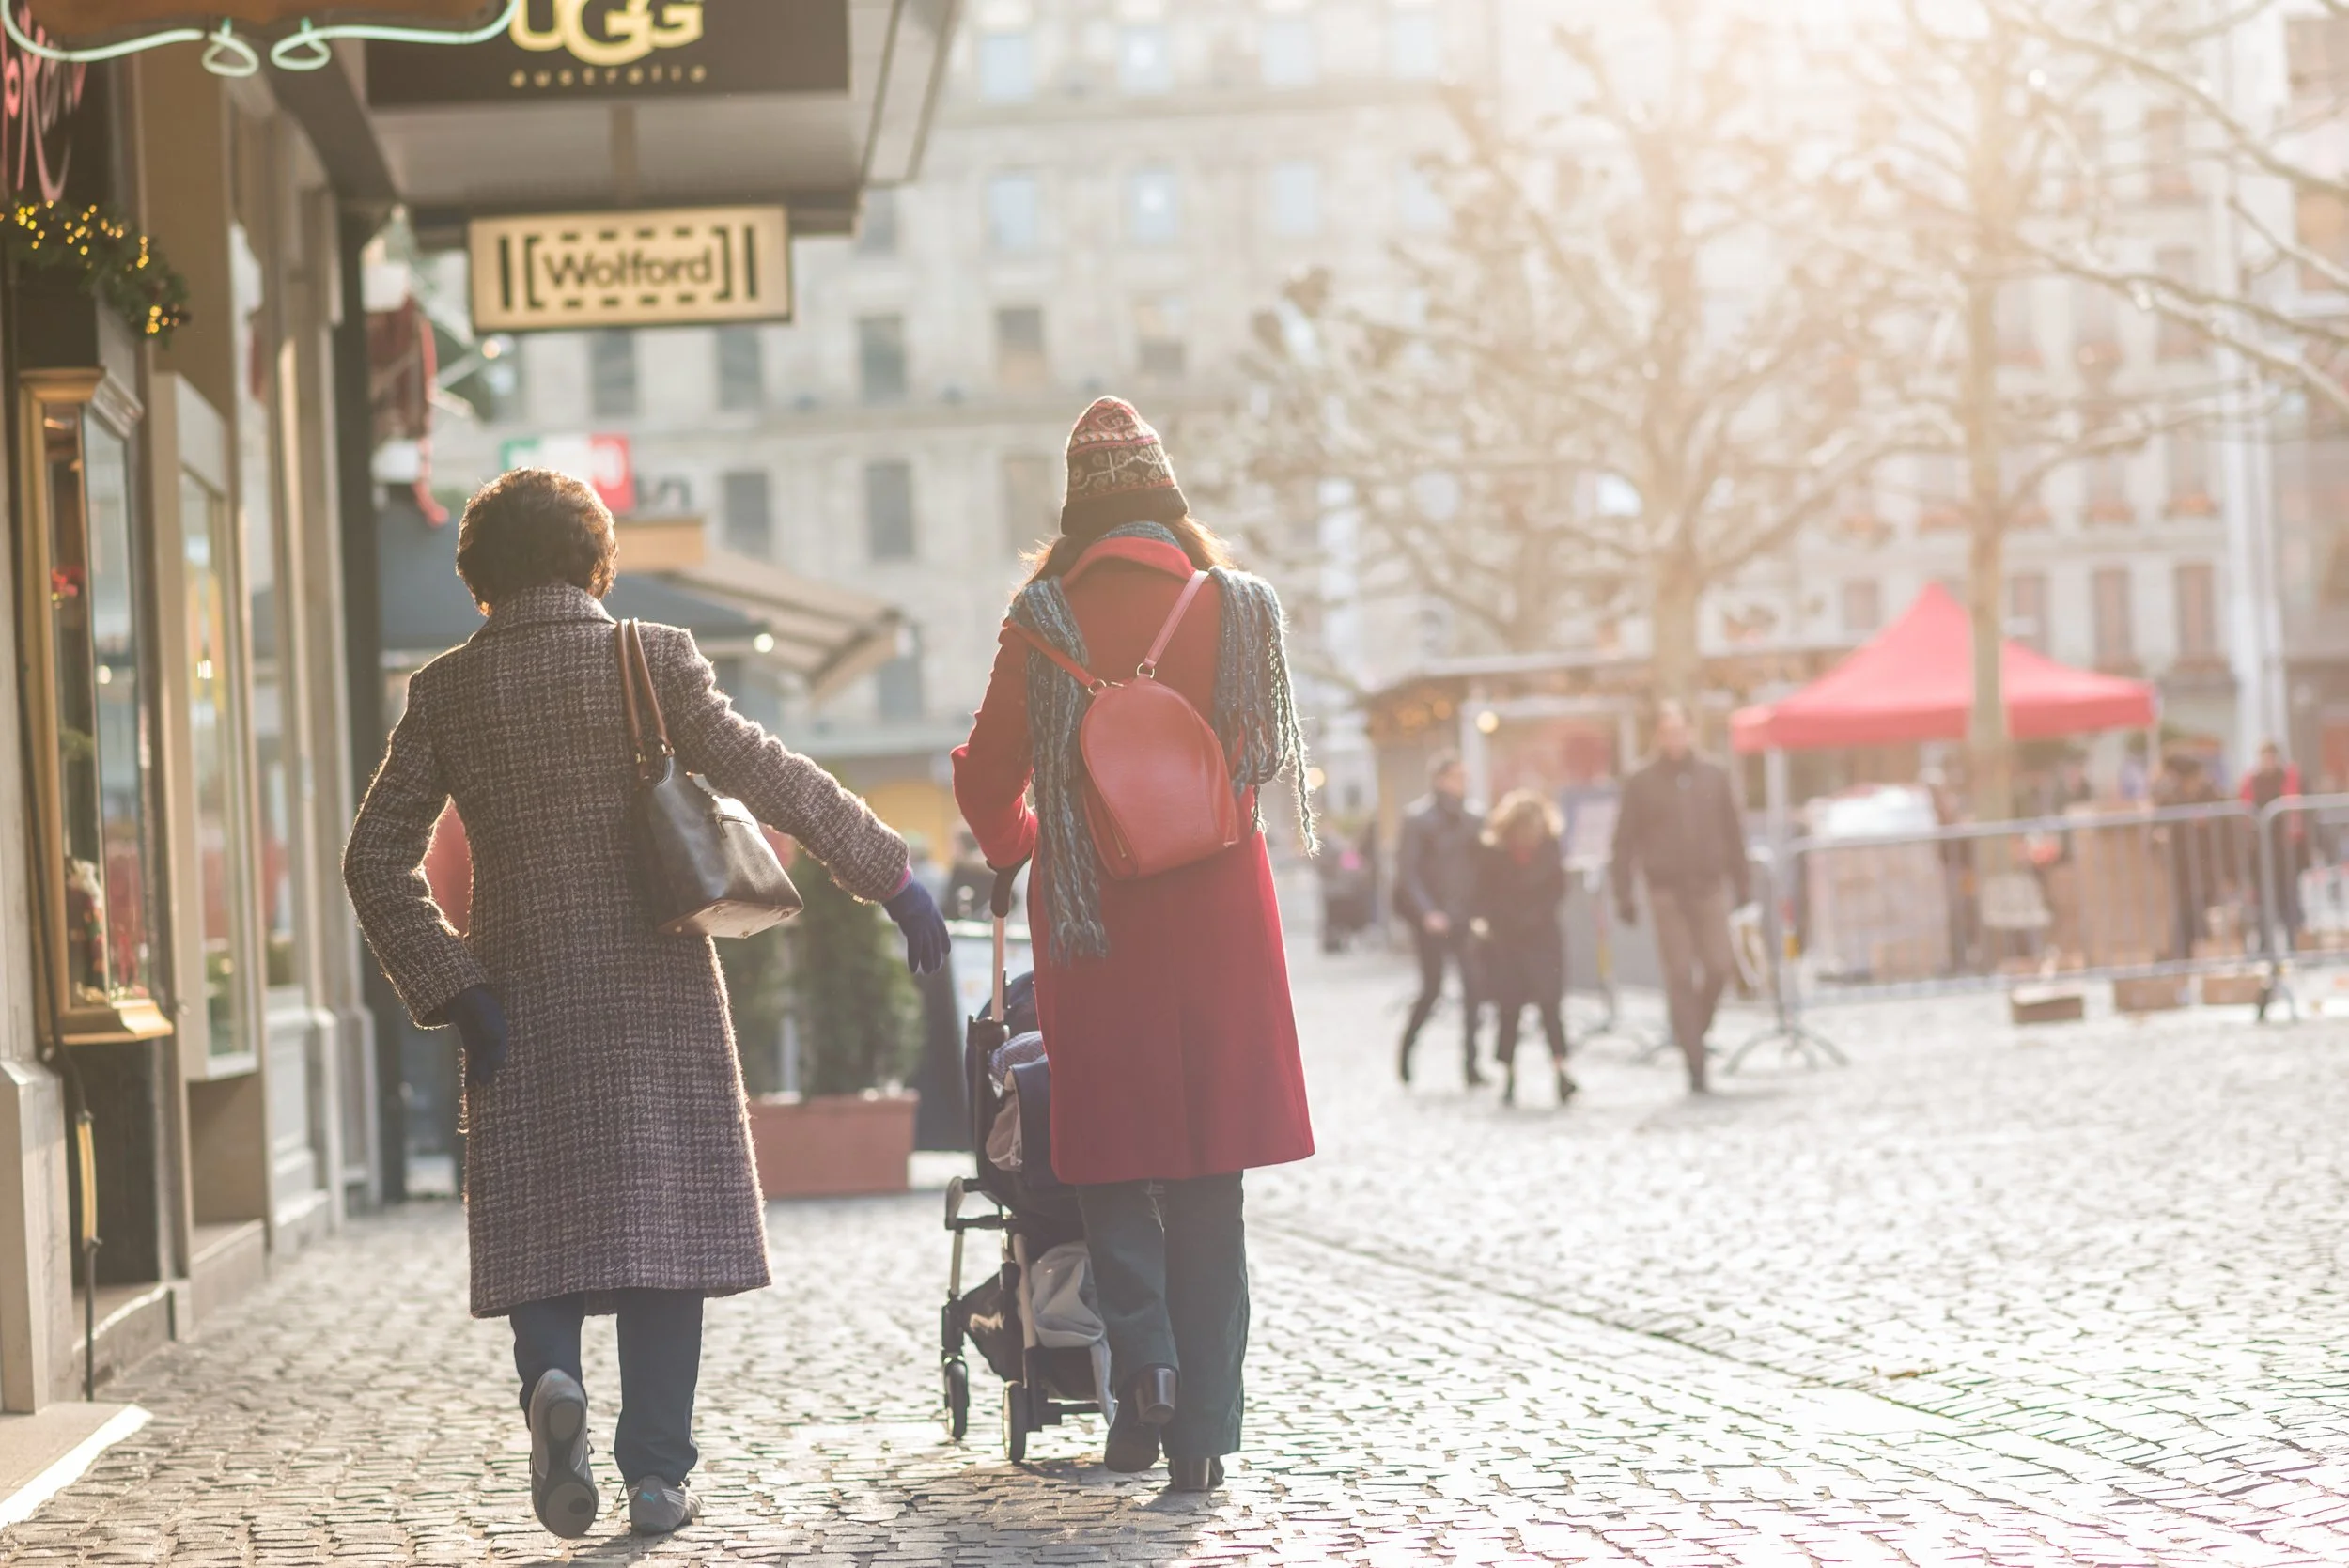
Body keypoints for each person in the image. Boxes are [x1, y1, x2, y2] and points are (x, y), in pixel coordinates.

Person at [343, 470, 947, 1539]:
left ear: (480, 576)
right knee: (664, 1232)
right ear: (593, 559)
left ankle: (549, 1382)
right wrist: (893, 880)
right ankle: (658, 1475)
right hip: (655, 988)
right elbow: (774, 777)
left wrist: (451, 985)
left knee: (541, 1223)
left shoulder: (445, 690)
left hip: (514, 995)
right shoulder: (650, 657)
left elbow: (373, 860)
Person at [954, 396, 1315, 1493]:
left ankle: (1142, 1379)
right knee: (1210, 1175)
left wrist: (1031, 839)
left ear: (1077, 515)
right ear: (1169, 502)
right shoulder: (1240, 609)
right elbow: (1252, 761)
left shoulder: (1042, 618)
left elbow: (981, 778)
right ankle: (1203, 1427)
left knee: (1111, 1160)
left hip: (1092, 924)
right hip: (1217, 926)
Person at [1610, 702, 1748, 1094]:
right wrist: (1624, 892)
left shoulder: (1712, 775)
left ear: (1690, 731)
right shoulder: (1641, 781)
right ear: (1658, 734)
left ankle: (1693, 1031)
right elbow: (1624, 841)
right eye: (1667, 731)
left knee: (1719, 965)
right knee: (1680, 973)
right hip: (1666, 889)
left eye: (1680, 730)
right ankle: (1695, 1061)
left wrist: (1743, 882)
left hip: (1708, 884)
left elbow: (1732, 829)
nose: (1674, 738)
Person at [1473, 790, 1574, 1108]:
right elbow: (1484, 895)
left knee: (1543, 1007)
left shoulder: (1547, 850)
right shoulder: (1495, 855)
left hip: (1537, 938)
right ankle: (1515, 1072)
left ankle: (1554, 1070)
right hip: (1512, 940)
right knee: (1514, 1008)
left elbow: (1556, 891)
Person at [1393, 753, 1486, 1086]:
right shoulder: (1419, 819)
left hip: (1464, 918)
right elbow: (1409, 872)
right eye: (1458, 777)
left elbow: (1482, 869)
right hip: (1432, 921)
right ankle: (1406, 1049)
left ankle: (1472, 1065)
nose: (1464, 783)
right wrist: (1427, 912)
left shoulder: (1474, 817)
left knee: (1475, 989)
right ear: (1440, 780)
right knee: (1432, 989)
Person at [2240, 741, 2305, 949]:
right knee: (2262, 900)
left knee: (2289, 898)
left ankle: (2294, 943)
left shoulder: (2289, 778)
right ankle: (2264, 946)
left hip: (2286, 850)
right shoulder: (2252, 780)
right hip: (2260, 852)